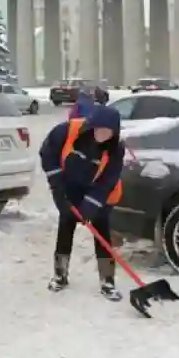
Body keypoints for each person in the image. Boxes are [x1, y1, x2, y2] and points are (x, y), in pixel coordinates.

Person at [40, 105, 125, 301]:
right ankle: (60, 275)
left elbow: (108, 181)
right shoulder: (66, 131)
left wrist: (90, 206)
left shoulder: (116, 149)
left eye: (109, 131)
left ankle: (107, 280)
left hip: (101, 194)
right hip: (70, 188)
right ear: (92, 125)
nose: (103, 135)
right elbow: (48, 154)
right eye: (100, 129)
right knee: (65, 228)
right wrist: (58, 189)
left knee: (102, 234)